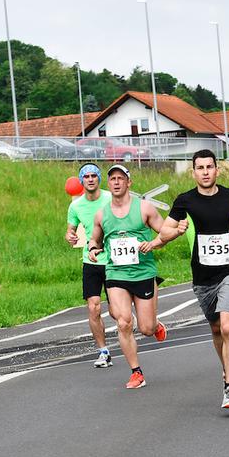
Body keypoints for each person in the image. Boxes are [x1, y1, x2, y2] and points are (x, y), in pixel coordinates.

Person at [157, 149, 229, 410]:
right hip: (202, 276)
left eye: (210, 167)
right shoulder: (184, 201)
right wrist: (177, 229)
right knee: (215, 328)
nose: (206, 172)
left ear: (217, 170)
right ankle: (228, 368)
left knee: (228, 325)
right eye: (200, 168)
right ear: (194, 172)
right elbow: (164, 233)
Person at [88, 164, 167, 390]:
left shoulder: (144, 208)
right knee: (123, 322)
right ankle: (136, 372)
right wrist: (93, 249)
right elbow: (94, 239)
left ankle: (155, 323)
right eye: (112, 178)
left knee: (146, 329)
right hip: (116, 273)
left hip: (143, 273)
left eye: (120, 178)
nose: (115, 182)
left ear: (128, 183)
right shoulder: (102, 214)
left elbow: (164, 233)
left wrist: (153, 243)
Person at [66, 164, 114, 368]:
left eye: (94, 175)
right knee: (93, 308)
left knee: (116, 312)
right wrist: (70, 235)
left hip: (113, 260)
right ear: (81, 181)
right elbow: (70, 230)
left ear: (99, 179)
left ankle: (130, 324)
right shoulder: (76, 206)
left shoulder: (111, 198)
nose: (91, 179)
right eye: (87, 176)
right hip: (90, 261)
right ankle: (103, 351)